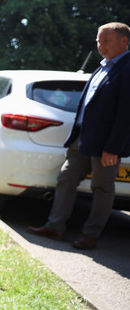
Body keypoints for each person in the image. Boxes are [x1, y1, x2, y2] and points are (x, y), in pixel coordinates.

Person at [28, 22, 130, 250]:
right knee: (66, 178)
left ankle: (90, 234)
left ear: (124, 41)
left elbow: (126, 114)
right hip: (82, 137)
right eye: (98, 41)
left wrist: (113, 147)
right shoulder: (102, 67)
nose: (100, 46)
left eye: (106, 41)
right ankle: (55, 226)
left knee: (102, 187)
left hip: (105, 144)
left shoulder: (127, 69)